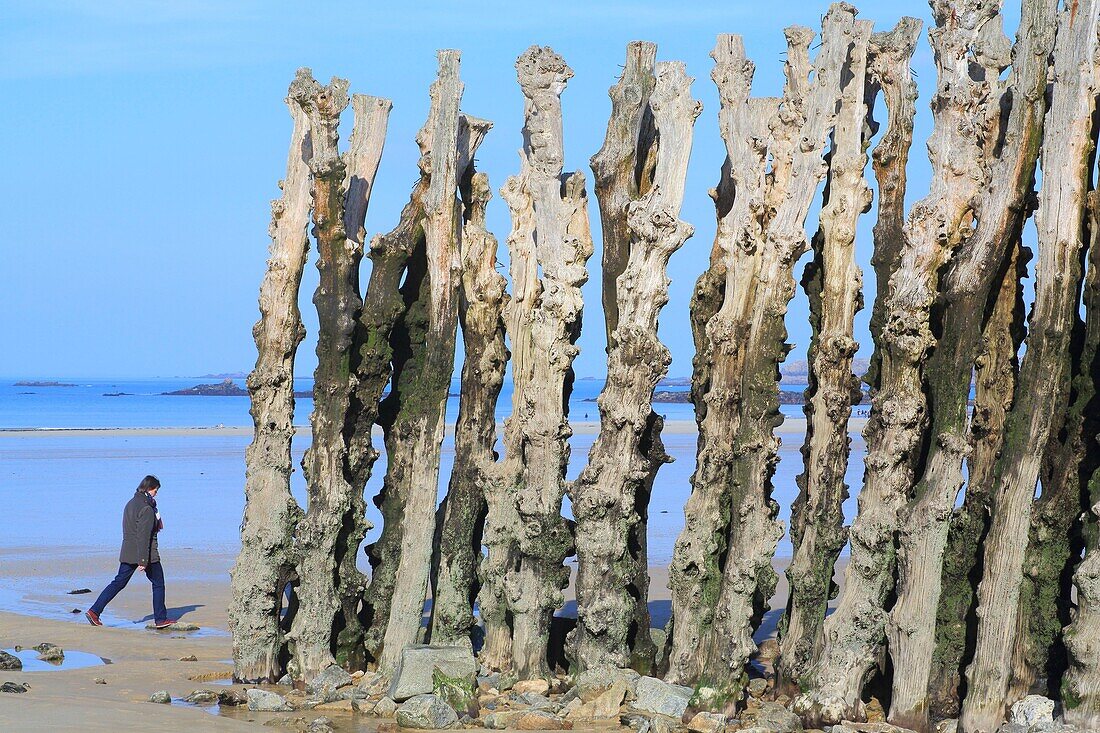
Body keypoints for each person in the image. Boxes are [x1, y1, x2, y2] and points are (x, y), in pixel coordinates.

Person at [85, 475, 176, 628]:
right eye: (155, 490)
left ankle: (94, 611)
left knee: (118, 582)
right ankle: (160, 619)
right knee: (158, 583)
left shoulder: (131, 503)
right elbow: (143, 535)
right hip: (145, 553)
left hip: (128, 551)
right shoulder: (147, 508)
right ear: (148, 489)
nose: (156, 493)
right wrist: (143, 561)